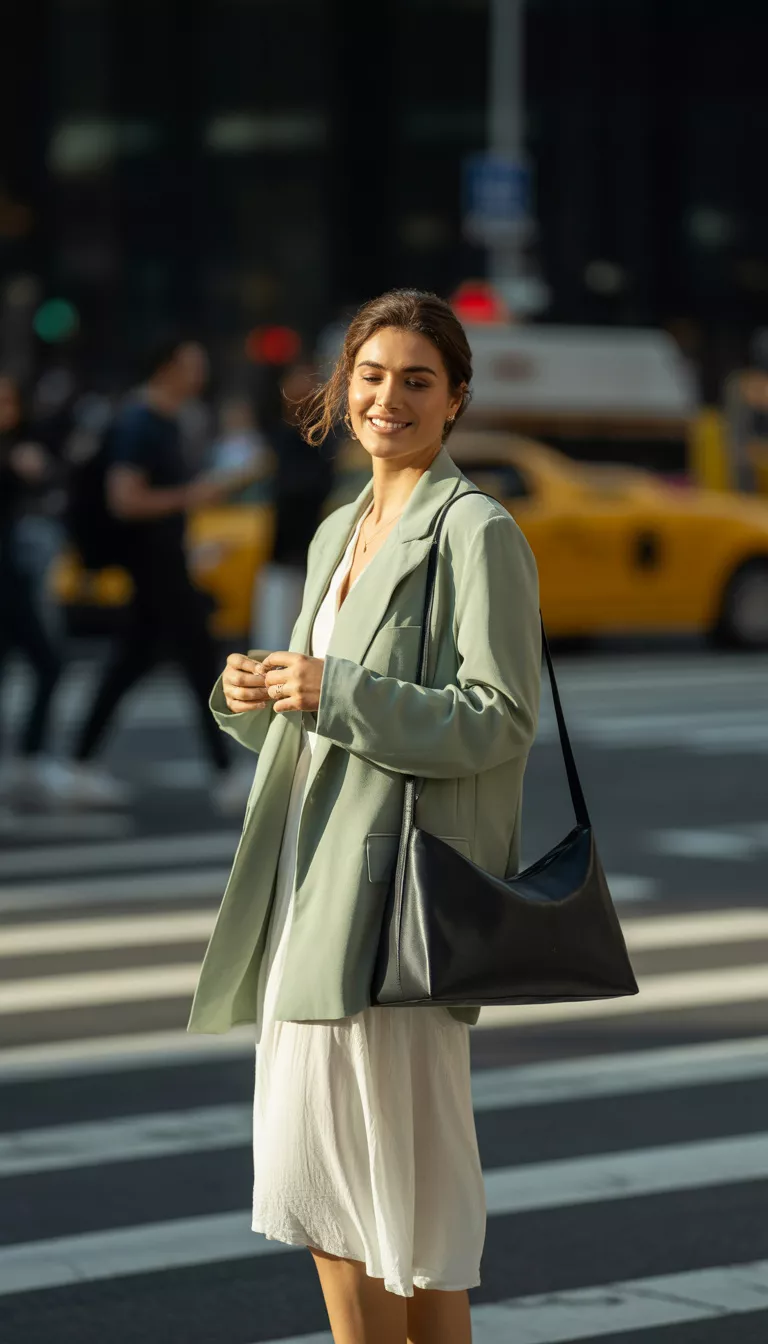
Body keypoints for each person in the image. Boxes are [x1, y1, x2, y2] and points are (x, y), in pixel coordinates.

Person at [187, 290, 542, 1343]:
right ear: (343, 390)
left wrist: (330, 689)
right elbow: (320, 715)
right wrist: (257, 692)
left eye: (418, 380)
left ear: (455, 400)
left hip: (395, 910)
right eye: (374, 376)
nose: (390, 397)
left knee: (388, 1210)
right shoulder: (341, 525)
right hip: (312, 884)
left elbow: (500, 719)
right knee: (351, 1209)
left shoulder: (475, 532)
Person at [68, 338, 259, 813]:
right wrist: (193, 496)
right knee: (198, 663)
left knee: (133, 662)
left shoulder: (169, 421)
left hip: (164, 562)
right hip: (152, 565)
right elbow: (124, 499)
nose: (201, 375)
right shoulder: (140, 422)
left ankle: (79, 763)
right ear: (168, 368)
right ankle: (225, 772)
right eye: (194, 365)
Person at [0, 373, 73, 806]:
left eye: (11, 400)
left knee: (44, 663)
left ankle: (30, 757)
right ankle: (29, 758)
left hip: (11, 576)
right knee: (45, 661)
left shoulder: (22, 448)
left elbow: (49, 477)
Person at [250, 361, 336, 650]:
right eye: (297, 381)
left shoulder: (327, 438)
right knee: (273, 646)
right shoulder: (276, 436)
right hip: (281, 556)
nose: (304, 389)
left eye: (310, 382)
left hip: (319, 559)